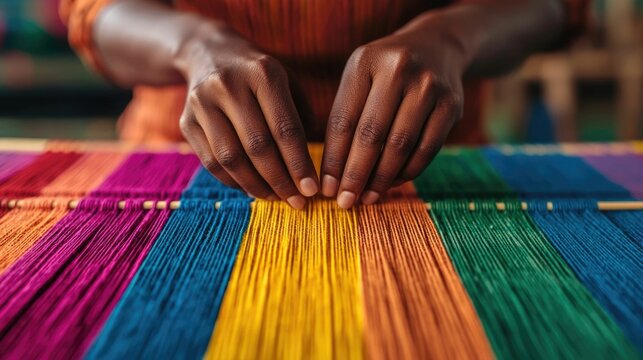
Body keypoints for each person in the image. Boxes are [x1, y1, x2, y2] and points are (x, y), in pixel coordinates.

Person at [61, 0, 586, 209]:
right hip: (182, 175)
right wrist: (193, 46)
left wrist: (451, 37)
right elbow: (90, 11)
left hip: (437, 179)